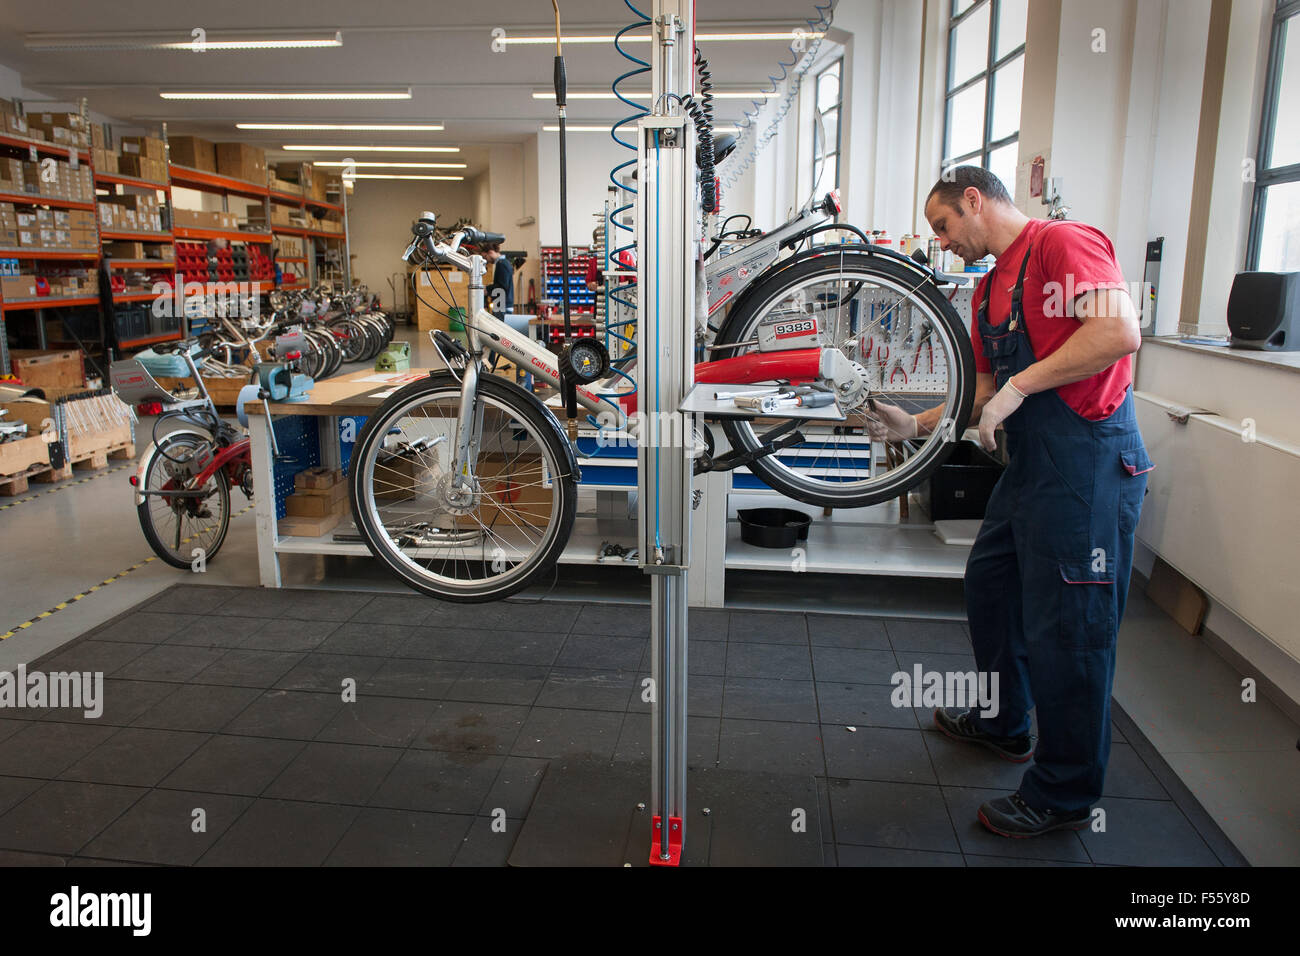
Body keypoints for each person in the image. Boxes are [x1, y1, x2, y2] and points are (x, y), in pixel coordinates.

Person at [867, 166, 1152, 838]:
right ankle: (1004, 721)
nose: (942, 242)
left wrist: (1021, 387)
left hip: (1089, 461)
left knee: (1071, 629)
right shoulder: (989, 288)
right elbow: (981, 388)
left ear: (974, 201)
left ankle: (1065, 792)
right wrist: (916, 423)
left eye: (943, 226)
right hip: (1031, 466)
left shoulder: (1062, 243)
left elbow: (1117, 333)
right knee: (991, 586)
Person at [484, 241, 513, 317]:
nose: (486, 260)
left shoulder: (502, 264)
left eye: (485, 257)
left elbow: (502, 286)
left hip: (502, 306)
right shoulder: (502, 263)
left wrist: (487, 289)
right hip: (501, 305)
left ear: (490, 252)